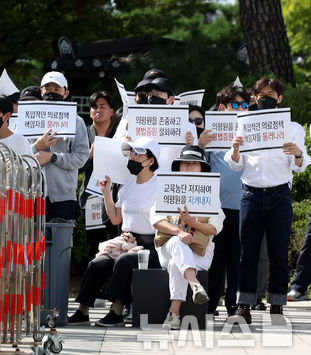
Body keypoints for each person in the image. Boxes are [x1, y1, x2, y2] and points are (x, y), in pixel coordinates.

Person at [225, 77, 311, 324]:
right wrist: (235, 149)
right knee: (247, 254)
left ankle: (276, 306)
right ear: (254, 97)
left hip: (279, 194)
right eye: (261, 94)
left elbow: (300, 166)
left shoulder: (293, 127)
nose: (266, 98)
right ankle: (244, 305)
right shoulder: (243, 124)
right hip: (251, 193)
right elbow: (235, 165)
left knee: (278, 253)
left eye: (271, 94)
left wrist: (297, 154)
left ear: (280, 98)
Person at [67, 137, 160, 326]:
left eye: (138, 154)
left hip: (152, 245)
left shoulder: (160, 186)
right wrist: (106, 192)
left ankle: (116, 311)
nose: (132, 158)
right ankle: (83, 310)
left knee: (125, 261)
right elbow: (116, 218)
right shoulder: (128, 184)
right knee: (97, 263)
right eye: (131, 153)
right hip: (126, 241)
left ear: (151, 161)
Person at [153, 145, 224, 330]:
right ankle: (194, 284)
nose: (190, 168)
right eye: (185, 164)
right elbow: (156, 220)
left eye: (195, 164)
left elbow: (214, 228)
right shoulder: (167, 189)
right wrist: (179, 231)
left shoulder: (211, 195)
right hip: (168, 249)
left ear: (203, 168)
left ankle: (174, 313)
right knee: (177, 243)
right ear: (178, 167)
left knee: (179, 262)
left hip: (199, 254)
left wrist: (192, 223)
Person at [199, 85, 248, 317]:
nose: (241, 108)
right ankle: (210, 305)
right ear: (222, 107)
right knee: (215, 259)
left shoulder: (251, 131)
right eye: (236, 104)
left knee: (237, 259)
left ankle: (234, 306)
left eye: (245, 104)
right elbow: (199, 166)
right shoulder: (210, 134)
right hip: (215, 208)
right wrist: (199, 144)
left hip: (243, 206)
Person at [31, 71, 89, 221]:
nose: (51, 93)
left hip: (64, 197)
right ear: (41, 91)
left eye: (57, 89)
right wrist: (36, 146)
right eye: (47, 89)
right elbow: (19, 155)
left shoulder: (76, 121)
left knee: (61, 242)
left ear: (66, 93)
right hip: (32, 195)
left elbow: (81, 157)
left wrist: (53, 157)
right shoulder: (28, 119)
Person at [80, 91, 122, 260]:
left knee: (114, 244)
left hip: (115, 199)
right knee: (94, 246)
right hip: (91, 200)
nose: (98, 110)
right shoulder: (83, 134)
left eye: (103, 106)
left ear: (111, 111)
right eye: (94, 107)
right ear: (90, 112)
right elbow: (75, 166)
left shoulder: (119, 134)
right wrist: (90, 153)